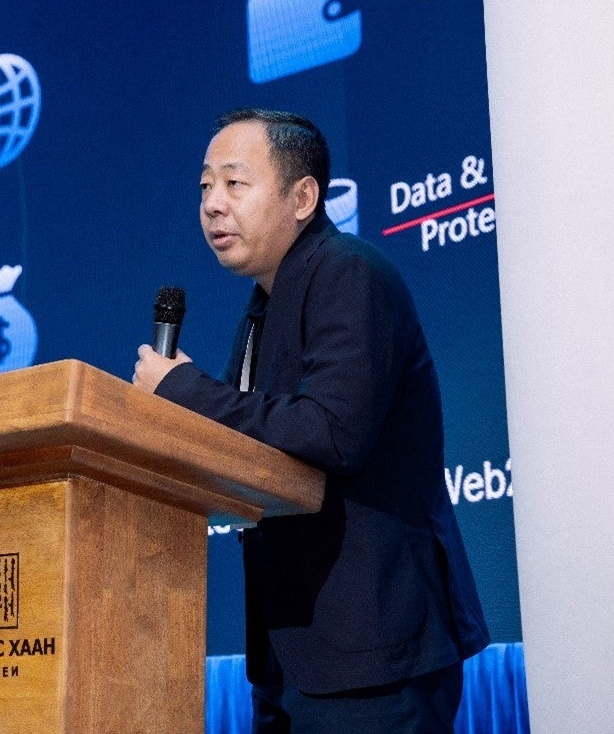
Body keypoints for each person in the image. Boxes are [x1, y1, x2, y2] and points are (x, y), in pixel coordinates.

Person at [133, 109, 489, 733]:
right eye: (205, 186)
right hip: (291, 655)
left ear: (302, 197)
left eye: (234, 183)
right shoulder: (261, 309)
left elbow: (332, 431)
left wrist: (184, 390)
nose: (213, 204)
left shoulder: (349, 272)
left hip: (373, 651)